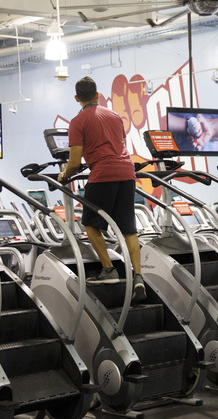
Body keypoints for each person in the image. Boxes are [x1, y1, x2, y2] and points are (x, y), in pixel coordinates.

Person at [57, 76, 146, 302]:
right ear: (98, 95)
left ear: (77, 98)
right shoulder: (114, 115)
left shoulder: (78, 121)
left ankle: (108, 270)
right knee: (128, 229)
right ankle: (138, 277)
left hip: (103, 174)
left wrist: (64, 175)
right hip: (127, 174)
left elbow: (75, 161)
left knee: (90, 223)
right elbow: (120, 146)